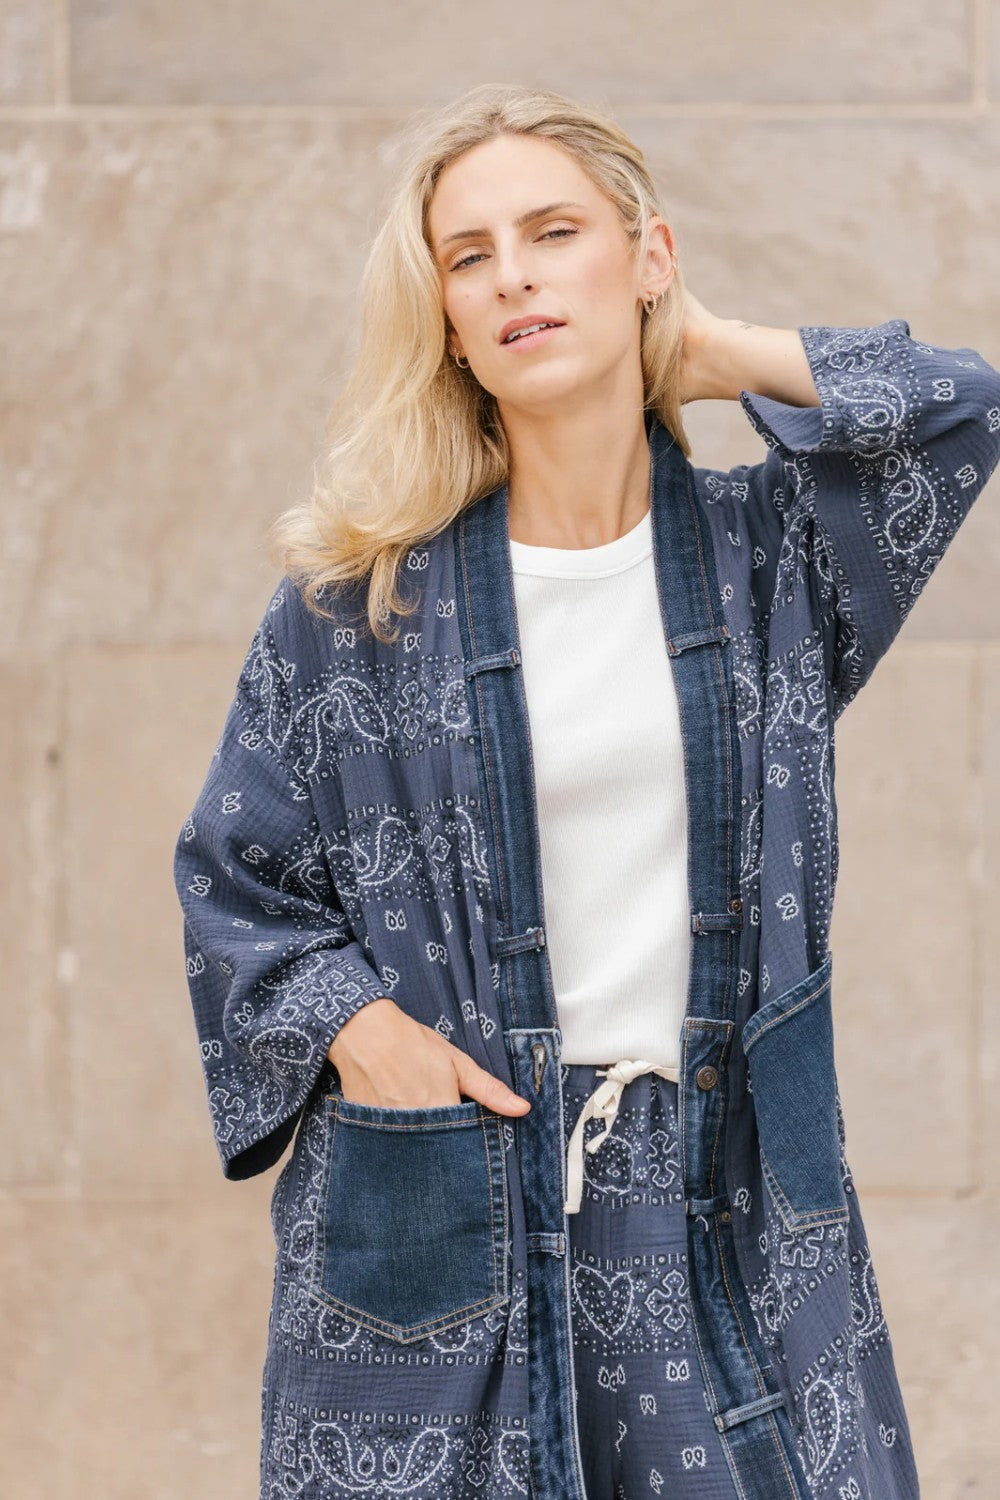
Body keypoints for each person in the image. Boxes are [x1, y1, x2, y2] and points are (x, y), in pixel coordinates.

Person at [173, 82, 1000, 1500]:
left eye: (555, 233)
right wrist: (360, 1030)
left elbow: (958, 408)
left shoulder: (770, 565)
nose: (514, 276)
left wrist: (706, 350)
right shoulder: (355, 612)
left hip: (731, 1200)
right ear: (447, 320)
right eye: (469, 255)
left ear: (647, 254)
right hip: (459, 1195)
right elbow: (234, 880)